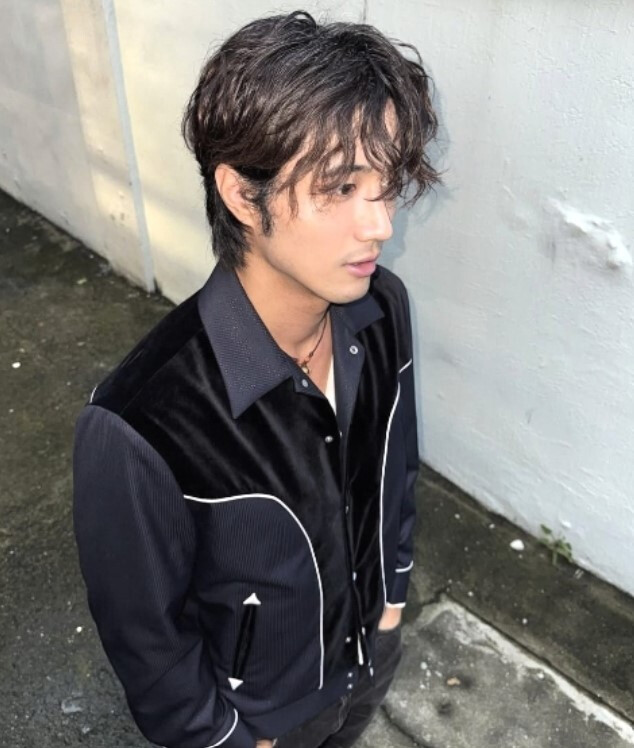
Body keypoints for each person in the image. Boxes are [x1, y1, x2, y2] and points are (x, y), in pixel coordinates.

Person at [73, 10, 439, 748]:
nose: (380, 225)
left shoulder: (379, 308)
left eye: (387, 184)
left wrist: (391, 605)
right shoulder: (140, 423)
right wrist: (227, 739)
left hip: (370, 660)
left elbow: (394, 468)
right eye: (342, 187)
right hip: (267, 725)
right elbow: (148, 643)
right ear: (243, 195)